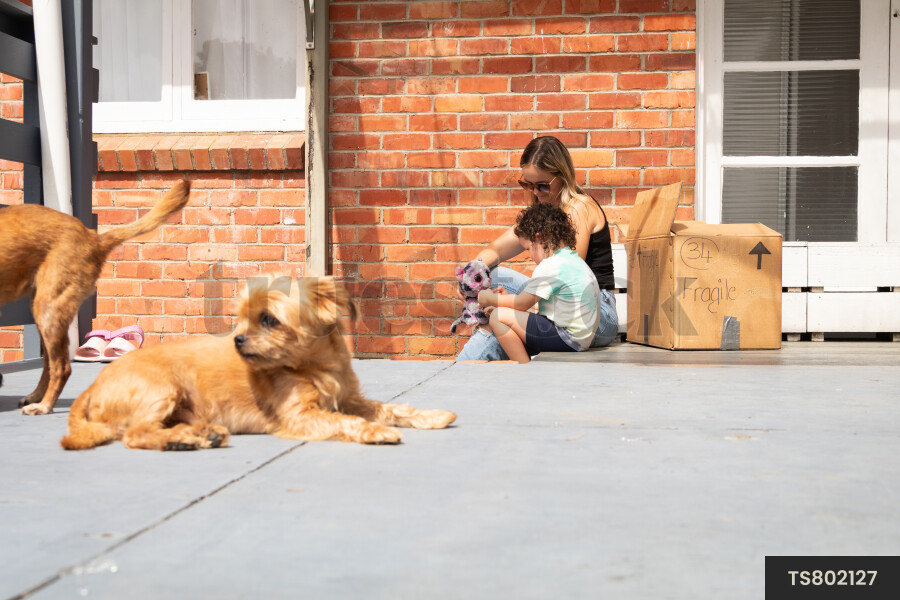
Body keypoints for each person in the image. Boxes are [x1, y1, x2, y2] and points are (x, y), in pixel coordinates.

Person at [456, 135, 618, 361]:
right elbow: (496, 250)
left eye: (542, 185)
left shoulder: (578, 207)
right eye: (528, 184)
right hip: (567, 309)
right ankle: (476, 362)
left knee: (500, 299)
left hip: (595, 312)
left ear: (563, 176)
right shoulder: (541, 216)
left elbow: (567, 277)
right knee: (489, 274)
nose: (536, 192)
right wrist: (471, 279)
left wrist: (495, 300)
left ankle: (465, 367)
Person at [477, 202, 601, 363]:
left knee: (497, 317)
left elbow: (521, 304)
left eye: (528, 249)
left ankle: (524, 367)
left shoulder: (550, 266)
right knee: (506, 316)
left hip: (566, 337)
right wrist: (506, 301)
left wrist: (488, 298)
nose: (530, 256)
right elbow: (538, 306)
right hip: (579, 338)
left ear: (539, 239)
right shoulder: (571, 260)